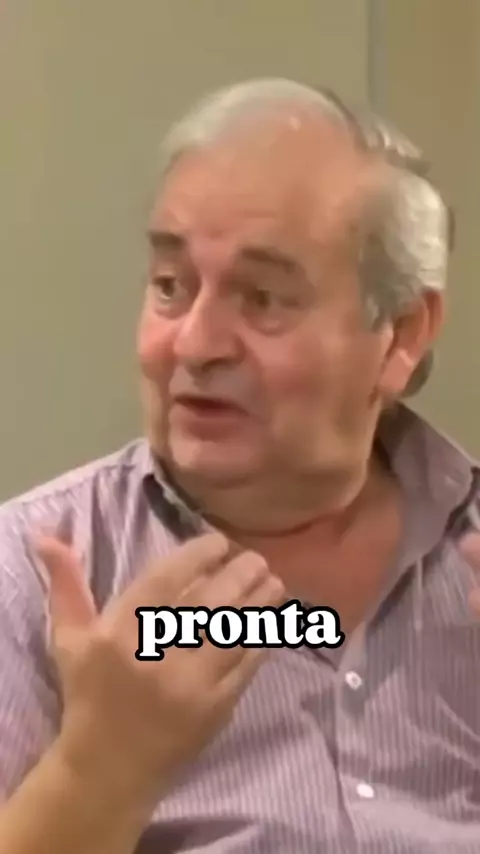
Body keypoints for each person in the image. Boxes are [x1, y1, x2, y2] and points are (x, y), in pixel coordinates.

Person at [0, 77, 480, 854]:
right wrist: (97, 773)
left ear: (400, 336)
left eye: (262, 298)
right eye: (170, 287)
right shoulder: (33, 574)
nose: (194, 345)